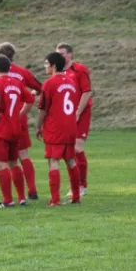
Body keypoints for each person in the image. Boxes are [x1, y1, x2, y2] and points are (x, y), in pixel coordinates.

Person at [0, 42, 42, 201]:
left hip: (1, 122)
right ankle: (30, 192)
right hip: (18, 120)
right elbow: (39, 88)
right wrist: (22, 111)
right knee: (21, 156)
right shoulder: (22, 74)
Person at [0, 55, 35, 208]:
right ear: (9, 68)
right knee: (14, 163)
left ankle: (7, 200)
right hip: (16, 128)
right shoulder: (17, 83)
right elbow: (30, 99)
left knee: (1, 164)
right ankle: (21, 197)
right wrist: (20, 115)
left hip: (1, 129)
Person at [36, 52, 82, 206]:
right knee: (70, 161)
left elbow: (43, 109)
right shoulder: (72, 81)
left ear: (54, 66)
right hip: (70, 126)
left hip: (55, 127)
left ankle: (55, 200)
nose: (45, 67)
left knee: (53, 161)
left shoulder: (49, 83)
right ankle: (76, 196)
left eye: (46, 64)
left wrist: (38, 127)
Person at [56, 43, 92, 197]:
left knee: (77, 149)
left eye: (62, 53)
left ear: (70, 54)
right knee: (69, 151)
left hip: (81, 113)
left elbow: (87, 92)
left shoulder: (79, 69)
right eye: (58, 54)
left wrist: (78, 112)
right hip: (66, 115)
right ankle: (75, 186)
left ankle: (82, 186)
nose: (60, 57)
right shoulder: (58, 72)